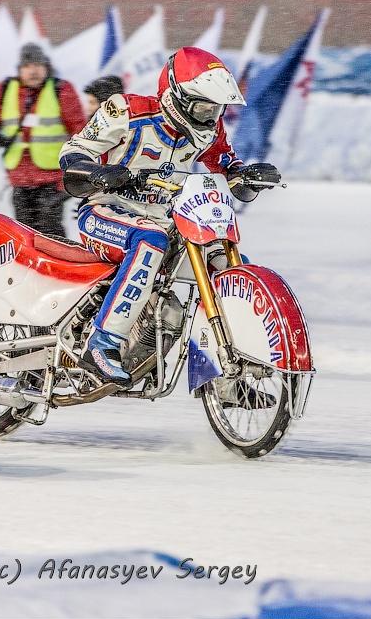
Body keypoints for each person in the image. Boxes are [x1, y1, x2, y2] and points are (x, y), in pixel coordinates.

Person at [58, 46, 281, 386]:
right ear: (176, 95)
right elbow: (74, 151)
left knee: (226, 264)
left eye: (216, 108)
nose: (210, 114)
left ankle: (226, 376)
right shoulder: (125, 111)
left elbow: (224, 163)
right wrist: (96, 173)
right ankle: (102, 344)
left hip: (164, 216)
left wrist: (246, 175)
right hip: (105, 212)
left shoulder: (209, 126)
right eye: (203, 106)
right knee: (151, 241)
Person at [0, 42, 86, 240]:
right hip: (20, 179)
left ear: (47, 68)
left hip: (53, 179)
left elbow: (80, 130)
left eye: (38, 65)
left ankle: (57, 269)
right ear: (19, 70)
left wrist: (74, 173)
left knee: (50, 232)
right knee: (24, 234)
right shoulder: (6, 89)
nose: (33, 71)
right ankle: (30, 269)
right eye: (27, 66)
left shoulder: (61, 90)